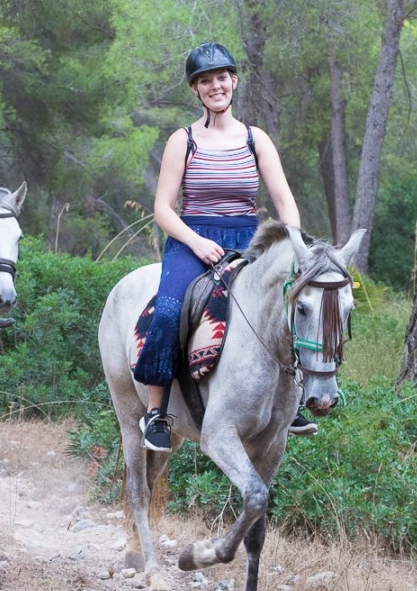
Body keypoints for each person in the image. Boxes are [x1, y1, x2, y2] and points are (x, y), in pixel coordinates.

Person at [132, 40, 317, 451]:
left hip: (247, 241)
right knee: (167, 311)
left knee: (290, 307)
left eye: (221, 77)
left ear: (233, 81)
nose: (216, 86)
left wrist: (291, 246)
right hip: (191, 238)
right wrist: (196, 243)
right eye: (205, 81)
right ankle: (157, 412)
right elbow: (163, 208)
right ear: (195, 90)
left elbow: (285, 202)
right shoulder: (183, 140)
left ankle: (294, 399)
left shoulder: (256, 140)